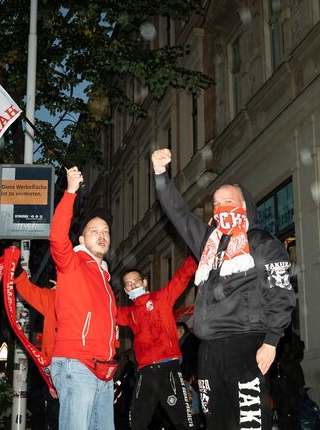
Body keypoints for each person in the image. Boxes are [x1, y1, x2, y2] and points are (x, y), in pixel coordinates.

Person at [151, 148, 296, 430]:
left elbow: (282, 294)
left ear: (244, 205)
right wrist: (160, 176)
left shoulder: (262, 242)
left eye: (228, 201)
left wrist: (271, 341)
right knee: (216, 423)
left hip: (245, 344)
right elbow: (179, 215)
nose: (220, 208)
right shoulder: (208, 243)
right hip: (208, 350)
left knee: (249, 424)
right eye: (216, 203)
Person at [49, 165, 118, 430]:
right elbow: (56, 237)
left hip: (103, 371)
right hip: (77, 364)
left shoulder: (105, 279)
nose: (102, 235)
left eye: (106, 232)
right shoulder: (73, 262)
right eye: (94, 231)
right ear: (81, 238)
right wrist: (70, 192)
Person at [117, 256, 198, 430]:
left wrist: (199, 247)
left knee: (184, 422)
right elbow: (104, 310)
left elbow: (182, 276)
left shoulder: (161, 298)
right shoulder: (128, 313)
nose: (132, 286)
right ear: (125, 290)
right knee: (137, 423)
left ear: (144, 282)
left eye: (135, 281)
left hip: (168, 368)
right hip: (145, 373)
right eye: (128, 284)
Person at [14, 273, 59, 429]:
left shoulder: (86, 296)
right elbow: (27, 289)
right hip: (53, 369)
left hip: (79, 369)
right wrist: (15, 268)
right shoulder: (52, 297)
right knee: (53, 416)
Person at [177, 322, 202, 429]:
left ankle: (194, 426)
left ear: (182, 330)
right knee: (191, 406)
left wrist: (190, 375)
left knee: (193, 406)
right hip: (189, 378)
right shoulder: (185, 341)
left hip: (191, 379)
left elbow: (192, 360)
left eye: (175, 330)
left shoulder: (189, 341)